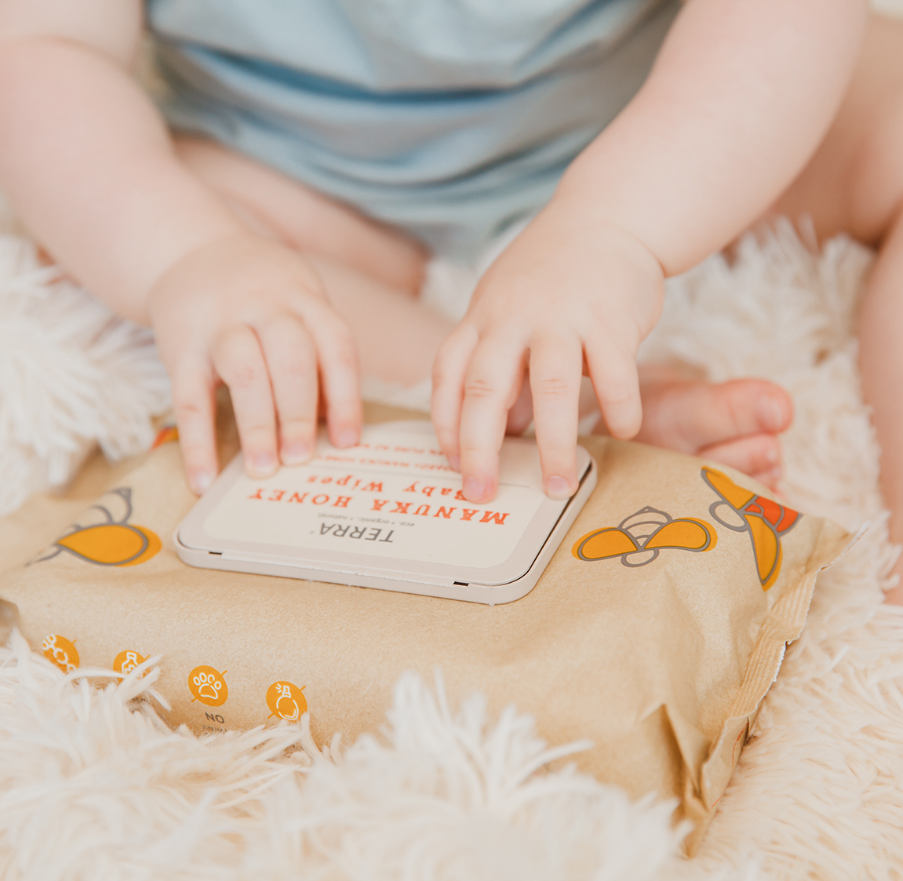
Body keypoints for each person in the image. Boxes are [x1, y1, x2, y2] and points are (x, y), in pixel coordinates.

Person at [1, 1, 901, 597]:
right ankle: (551, 394)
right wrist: (192, 254)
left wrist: (615, 228)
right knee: (106, 231)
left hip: (672, 125)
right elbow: (45, 50)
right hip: (309, 178)